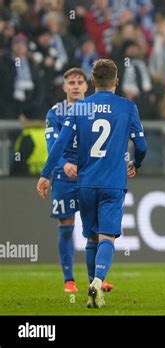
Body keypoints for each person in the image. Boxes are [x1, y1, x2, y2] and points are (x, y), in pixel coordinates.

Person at [37, 59, 147, 308]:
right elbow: (141, 145)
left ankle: (90, 285)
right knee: (107, 236)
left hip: (85, 182)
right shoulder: (128, 106)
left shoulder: (79, 109)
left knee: (90, 237)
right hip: (113, 182)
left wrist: (45, 175)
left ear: (92, 82)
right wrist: (136, 163)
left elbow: (59, 145)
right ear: (116, 81)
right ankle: (97, 281)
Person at [44, 67, 114, 293]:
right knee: (66, 224)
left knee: (93, 229)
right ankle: (69, 281)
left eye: (79, 82)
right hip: (64, 176)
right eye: (71, 82)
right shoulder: (55, 113)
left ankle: (96, 280)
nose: (75, 86)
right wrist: (63, 164)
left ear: (87, 86)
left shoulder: (95, 110)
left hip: (90, 173)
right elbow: (53, 144)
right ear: (65, 87)